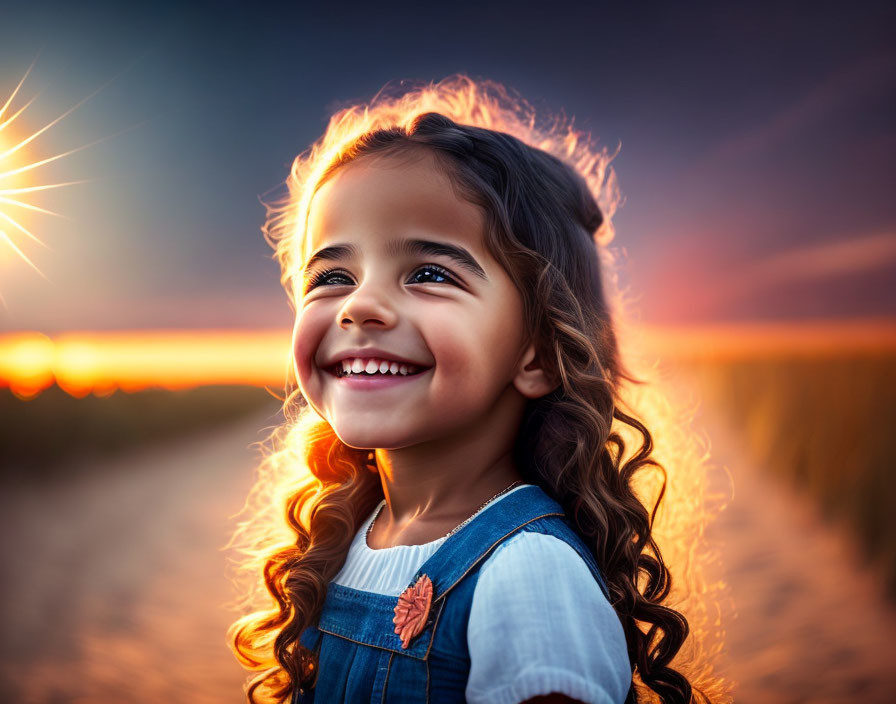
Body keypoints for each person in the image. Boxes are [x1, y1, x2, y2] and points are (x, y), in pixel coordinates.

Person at [227, 74, 714, 704]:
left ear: (539, 349)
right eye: (333, 275)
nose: (361, 305)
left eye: (428, 273)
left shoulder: (530, 573)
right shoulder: (348, 537)